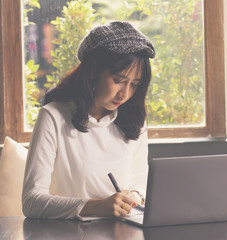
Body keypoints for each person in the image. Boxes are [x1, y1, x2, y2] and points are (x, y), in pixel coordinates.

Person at [22, 21, 155, 219]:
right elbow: (31, 201)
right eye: (118, 80)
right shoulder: (53, 117)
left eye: (134, 84)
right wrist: (96, 206)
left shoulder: (134, 122)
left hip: (123, 231)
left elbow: (139, 183)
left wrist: (134, 197)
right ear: (93, 70)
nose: (125, 94)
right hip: (69, 233)